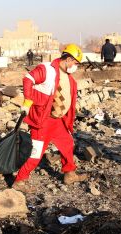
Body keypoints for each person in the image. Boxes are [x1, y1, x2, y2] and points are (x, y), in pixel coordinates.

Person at [13, 44, 87, 192]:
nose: (75, 66)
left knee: (67, 144)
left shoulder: (68, 76)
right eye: (75, 63)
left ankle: (69, 174)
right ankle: (19, 181)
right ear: (68, 59)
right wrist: (27, 101)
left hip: (57, 121)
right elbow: (28, 79)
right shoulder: (47, 69)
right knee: (37, 153)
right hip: (42, 120)